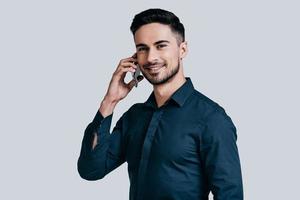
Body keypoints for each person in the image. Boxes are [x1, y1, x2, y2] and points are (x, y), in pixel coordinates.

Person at [77, 8, 243, 200]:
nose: (150, 58)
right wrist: (109, 101)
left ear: (183, 50)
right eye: (142, 48)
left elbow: (230, 195)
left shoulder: (211, 119)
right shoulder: (134, 116)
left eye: (161, 45)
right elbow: (91, 170)